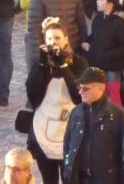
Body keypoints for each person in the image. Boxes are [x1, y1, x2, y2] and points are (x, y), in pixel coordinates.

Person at [25, 20, 87, 184]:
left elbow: (79, 95)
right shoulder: (42, 64)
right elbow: (32, 94)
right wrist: (41, 66)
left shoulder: (79, 62)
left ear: (66, 39)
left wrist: (64, 66)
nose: (54, 43)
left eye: (57, 38)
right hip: (43, 129)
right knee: (49, 180)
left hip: (69, 129)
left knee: (71, 179)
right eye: (50, 39)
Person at [61, 67, 124, 184]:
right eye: (79, 87)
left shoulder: (119, 115)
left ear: (100, 88)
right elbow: (67, 145)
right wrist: (67, 172)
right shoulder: (76, 112)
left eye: (85, 88)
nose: (80, 91)